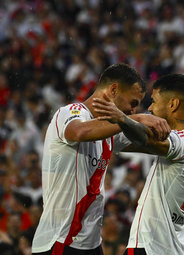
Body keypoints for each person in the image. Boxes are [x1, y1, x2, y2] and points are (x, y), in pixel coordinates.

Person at [32, 64, 170, 255]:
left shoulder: (111, 130)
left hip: (91, 243)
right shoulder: (70, 111)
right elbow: (79, 131)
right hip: (61, 240)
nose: (132, 111)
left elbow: (152, 143)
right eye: (132, 103)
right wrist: (138, 118)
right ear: (113, 90)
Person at [92, 73, 184, 255]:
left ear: (173, 104)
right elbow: (138, 143)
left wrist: (123, 118)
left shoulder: (183, 142)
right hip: (172, 246)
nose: (150, 107)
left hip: (150, 246)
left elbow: (147, 140)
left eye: (154, 101)